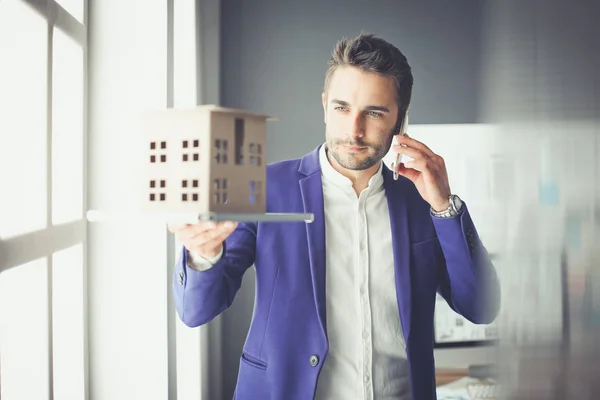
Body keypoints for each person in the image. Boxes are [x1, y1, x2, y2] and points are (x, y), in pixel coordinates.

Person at [168, 32, 500, 400]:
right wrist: (201, 254)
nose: (353, 130)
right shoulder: (262, 188)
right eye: (342, 108)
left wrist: (444, 208)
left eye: (374, 113)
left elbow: (482, 307)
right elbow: (196, 311)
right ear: (325, 105)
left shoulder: (421, 201)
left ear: (400, 121)